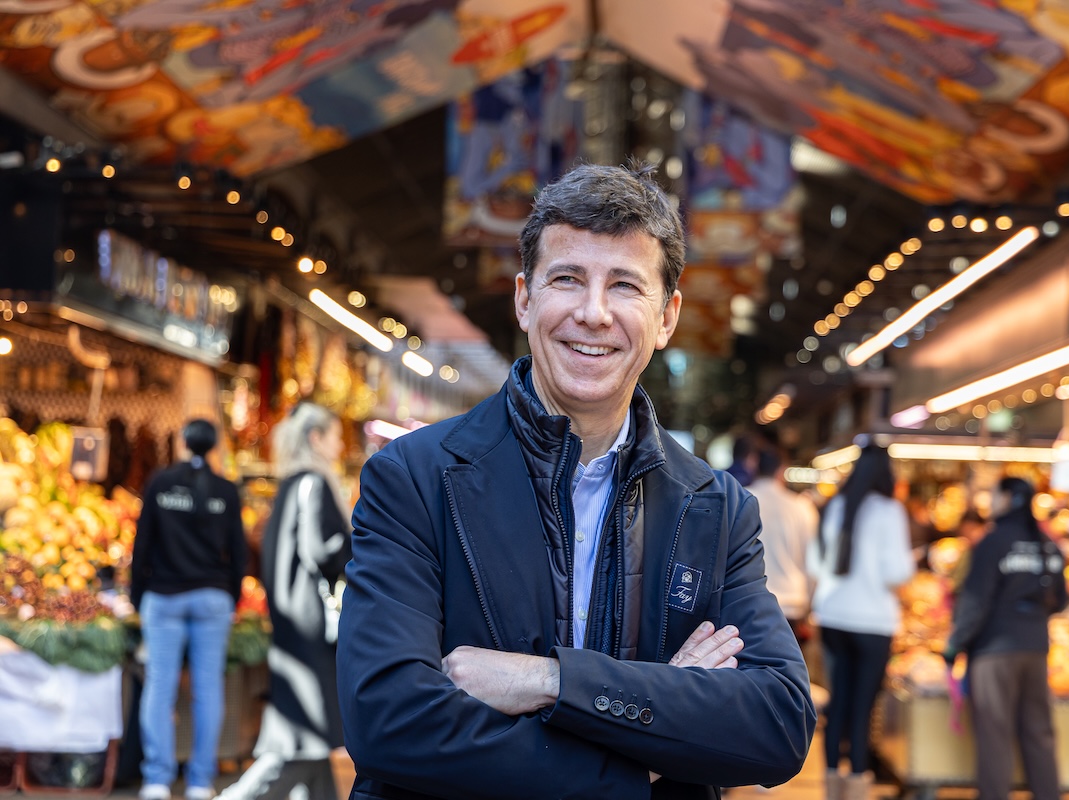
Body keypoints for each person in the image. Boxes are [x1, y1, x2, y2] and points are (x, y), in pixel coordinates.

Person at [338, 162, 816, 799]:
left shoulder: (715, 509)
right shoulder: (416, 480)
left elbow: (776, 726)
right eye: (567, 279)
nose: (593, 313)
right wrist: (644, 747)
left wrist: (550, 681)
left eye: (625, 286)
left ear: (667, 316)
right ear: (524, 299)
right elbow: (386, 722)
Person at [218, 402, 353, 800]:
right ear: (316, 438)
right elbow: (326, 551)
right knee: (305, 727)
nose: (341, 444)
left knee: (309, 729)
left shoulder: (292, 484)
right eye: (334, 434)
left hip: (292, 618)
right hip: (307, 620)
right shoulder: (313, 483)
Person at [131, 419, 248, 800]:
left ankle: (157, 780)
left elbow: (142, 542)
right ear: (214, 446)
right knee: (208, 689)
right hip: (212, 598)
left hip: (163, 597)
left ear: (182, 442)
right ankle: (200, 781)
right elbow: (239, 552)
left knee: (159, 687)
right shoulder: (226, 490)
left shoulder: (160, 483)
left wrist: (138, 595)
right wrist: (230, 595)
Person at [943, 477, 1066, 800]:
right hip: (1036, 648)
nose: (989, 502)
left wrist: (956, 644)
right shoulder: (1047, 544)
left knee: (995, 737)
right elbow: (1061, 598)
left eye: (993, 496)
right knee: (1038, 735)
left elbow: (974, 602)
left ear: (1008, 498)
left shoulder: (993, 543)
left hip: (994, 652)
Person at [806, 442, 912, 800]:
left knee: (839, 700)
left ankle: (832, 782)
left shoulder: (834, 505)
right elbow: (897, 570)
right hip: (873, 621)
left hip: (833, 615)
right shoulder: (888, 511)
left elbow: (815, 565)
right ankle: (857, 785)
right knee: (863, 706)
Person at [745, 444, 817, 640]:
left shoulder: (741, 500)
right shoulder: (802, 507)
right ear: (782, 470)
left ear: (753, 466)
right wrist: (808, 605)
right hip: (791, 603)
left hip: (747, 603)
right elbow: (811, 562)